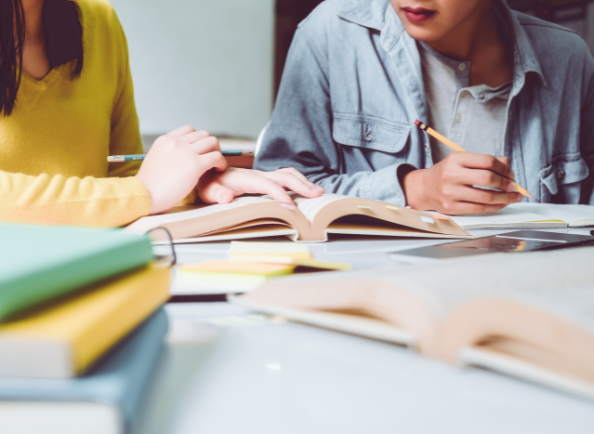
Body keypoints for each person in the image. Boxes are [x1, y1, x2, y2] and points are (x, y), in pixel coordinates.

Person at [0, 0, 323, 227]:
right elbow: (137, 191)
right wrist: (145, 193)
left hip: (91, 271)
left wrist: (198, 185)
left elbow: (125, 174)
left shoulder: (99, 20)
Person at [255, 0, 594, 214]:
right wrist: (411, 190)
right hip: (383, 294)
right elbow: (275, 191)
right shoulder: (332, 32)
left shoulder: (568, 58)